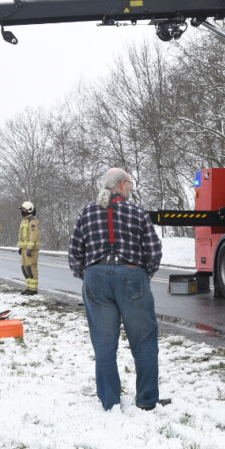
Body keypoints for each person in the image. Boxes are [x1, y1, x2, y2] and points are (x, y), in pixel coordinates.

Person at [68, 168, 166, 411]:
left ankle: (110, 401)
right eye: (130, 184)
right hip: (132, 275)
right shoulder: (136, 211)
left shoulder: (87, 211)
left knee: (103, 344)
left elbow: (74, 252)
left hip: (96, 277)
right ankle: (146, 399)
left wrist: (85, 274)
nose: (131, 188)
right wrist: (145, 273)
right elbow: (153, 248)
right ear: (122, 184)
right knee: (144, 341)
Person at [18, 201, 40, 295]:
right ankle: (28, 287)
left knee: (31, 268)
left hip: (31, 249)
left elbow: (33, 236)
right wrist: (20, 247)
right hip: (24, 248)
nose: (22, 211)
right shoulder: (24, 221)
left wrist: (30, 248)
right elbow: (22, 236)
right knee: (25, 268)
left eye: (24, 209)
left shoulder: (32, 221)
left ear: (29, 210)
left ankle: (33, 289)